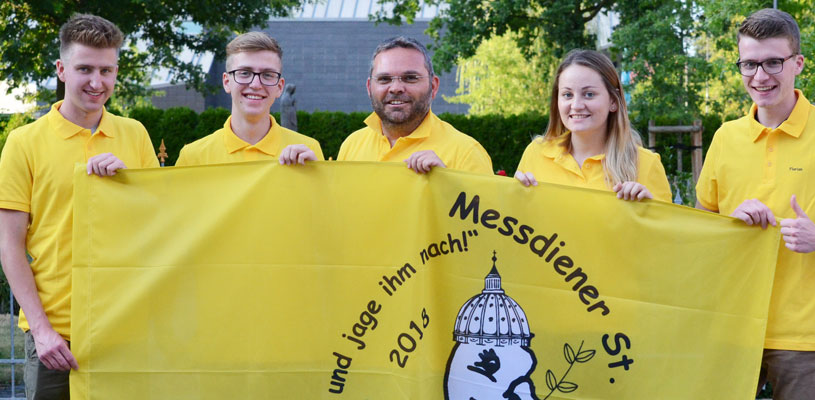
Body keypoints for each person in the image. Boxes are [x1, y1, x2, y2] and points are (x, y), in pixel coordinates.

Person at [695, 8, 815, 399]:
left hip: (802, 335)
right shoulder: (725, 138)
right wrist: (730, 221)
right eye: (749, 64)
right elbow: (699, 230)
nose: (760, 76)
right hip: (731, 325)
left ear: (797, 63)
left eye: (773, 62)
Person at [0, 14, 160, 399]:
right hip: (56, 336)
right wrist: (41, 330)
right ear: (61, 69)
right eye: (84, 68)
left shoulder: (134, 134)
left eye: (106, 70)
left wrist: (129, 186)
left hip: (125, 325)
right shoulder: (24, 142)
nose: (96, 81)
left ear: (116, 71)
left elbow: (158, 224)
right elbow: (9, 245)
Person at [514, 50, 671, 202]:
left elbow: (664, 228)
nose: (576, 105)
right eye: (567, 95)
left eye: (589, 94)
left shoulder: (646, 164)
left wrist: (648, 209)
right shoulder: (536, 153)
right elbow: (516, 221)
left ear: (613, 101)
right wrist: (515, 197)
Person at [337, 36, 492, 174]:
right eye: (384, 79)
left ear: (434, 86)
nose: (396, 88)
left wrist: (447, 183)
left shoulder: (466, 153)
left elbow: (488, 207)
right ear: (369, 87)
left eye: (410, 78)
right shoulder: (352, 145)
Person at [176, 32, 322, 166]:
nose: (255, 84)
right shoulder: (193, 158)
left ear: (279, 87)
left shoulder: (307, 152)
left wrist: (315, 176)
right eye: (245, 73)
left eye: (267, 74)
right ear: (227, 82)